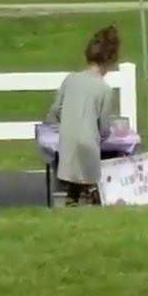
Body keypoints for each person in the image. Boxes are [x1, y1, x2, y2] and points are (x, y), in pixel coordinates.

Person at [44, 25, 122, 206]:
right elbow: (103, 127)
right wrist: (106, 133)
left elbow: (55, 111)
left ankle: (72, 200)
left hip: (67, 146)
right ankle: (94, 195)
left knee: (74, 179)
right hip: (88, 147)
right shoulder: (104, 89)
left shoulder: (70, 80)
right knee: (91, 174)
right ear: (110, 60)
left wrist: (66, 124)